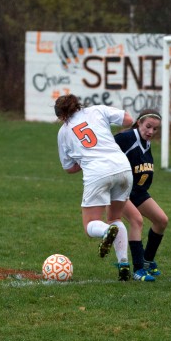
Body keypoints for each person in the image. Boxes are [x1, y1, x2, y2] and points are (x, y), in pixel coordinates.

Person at [55, 94, 135, 281]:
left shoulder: (63, 132)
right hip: (123, 167)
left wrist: (84, 158)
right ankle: (123, 264)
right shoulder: (98, 110)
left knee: (90, 224)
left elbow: (69, 168)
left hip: (97, 172)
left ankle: (107, 232)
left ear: (62, 116)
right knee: (115, 218)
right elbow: (128, 120)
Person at [114, 109, 168, 282]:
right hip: (119, 189)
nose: (151, 131)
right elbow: (103, 151)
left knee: (161, 221)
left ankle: (147, 261)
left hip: (137, 191)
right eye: (148, 126)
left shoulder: (146, 142)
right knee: (136, 221)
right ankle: (138, 270)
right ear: (139, 123)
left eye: (155, 129)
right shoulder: (126, 138)